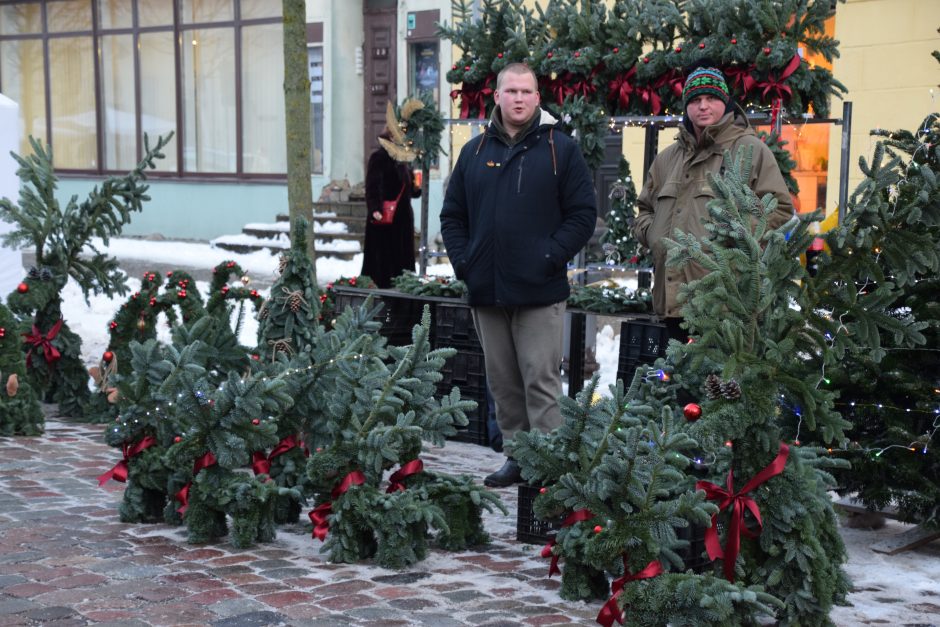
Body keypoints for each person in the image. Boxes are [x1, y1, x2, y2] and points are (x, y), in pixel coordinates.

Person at [440, 62, 597, 487]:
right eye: (511, 91)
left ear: (537, 98)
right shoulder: (473, 153)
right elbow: (453, 216)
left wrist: (550, 254)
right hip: (487, 289)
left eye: (527, 91)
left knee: (539, 379)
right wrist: (465, 262)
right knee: (504, 383)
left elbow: (583, 215)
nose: (519, 98)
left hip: (539, 290)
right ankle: (517, 456)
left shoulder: (559, 149)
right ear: (497, 97)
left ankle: (549, 464)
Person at [633, 65, 794, 343]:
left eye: (711, 99)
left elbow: (779, 208)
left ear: (726, 102)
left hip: (725, 302)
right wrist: (655, 236)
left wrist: (735, 240)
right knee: (679, 383)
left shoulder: (750, 150)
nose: (703, 107)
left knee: (719, 386)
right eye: (695, 100)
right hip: (673, 301)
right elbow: (644, 210)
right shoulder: (667, 158)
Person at [361, 131, 420, 288]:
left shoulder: (402, 159)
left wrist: (416, 187)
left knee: (401, 264)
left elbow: (409, 190)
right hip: (384, 220)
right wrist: (375, 208)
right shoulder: (379, 158)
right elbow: (372, 186)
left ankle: (401, 297)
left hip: (402, 222)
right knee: (383, 265)